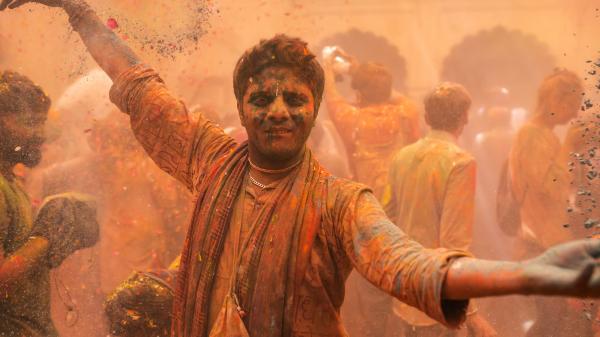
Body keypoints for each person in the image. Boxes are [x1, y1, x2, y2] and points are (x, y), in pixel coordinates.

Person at [4, 2, 600, 337]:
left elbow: (410, 263)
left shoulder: (342, 203)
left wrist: (529, 275)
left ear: (316, 107)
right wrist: (77, 10)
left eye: (295, 98)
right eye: (262, 98)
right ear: (241, 107)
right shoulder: (211, 158)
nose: (279, 110)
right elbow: (138, 85)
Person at [382, 83, 496, 337]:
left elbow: (386, 219)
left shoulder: (402, 156)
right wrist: (473, 314)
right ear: (464, 118)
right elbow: (454, 244)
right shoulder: (461, 163)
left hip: (407, 291)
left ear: (427, 118)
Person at [322, 49, 420, 337]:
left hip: (368, 217)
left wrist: (330, 69)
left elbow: (332, 98)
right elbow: (399, 97)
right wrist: (360, 70)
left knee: (373, 297)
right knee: (404, 289)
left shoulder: (352, 119)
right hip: (405, 215)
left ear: (360, 94)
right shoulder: (405, 113)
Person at [0, 70, 99, 336]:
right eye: (30, 122)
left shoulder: (9, 180)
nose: (41, 135)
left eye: (41, 123)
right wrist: (45, 237)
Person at [508, 69, 586, 337]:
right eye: (573, 106)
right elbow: (551, 186)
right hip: (538, 247)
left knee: (555, 320)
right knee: (550, 322)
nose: (575, 115)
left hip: (549, 244)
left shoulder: (546, 134)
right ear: (557, 102)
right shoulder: (532, 135)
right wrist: (569, 145)